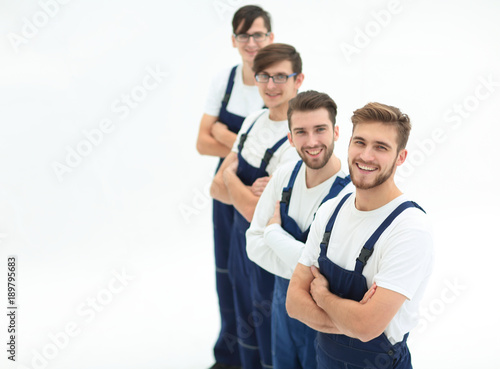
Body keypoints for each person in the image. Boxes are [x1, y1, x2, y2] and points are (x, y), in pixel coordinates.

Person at [286, 102, 434, 369]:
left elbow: (367, 327)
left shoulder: (409, 229)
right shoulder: (331, 210)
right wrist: (352, 320)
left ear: (401, 157)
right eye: (360, 142)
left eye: (381, 147)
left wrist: (322, 296)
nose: (366, 156)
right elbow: (294, 303)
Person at [210, 43, 304, 369]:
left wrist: (232, 178)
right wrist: (246, 190)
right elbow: (215, 188)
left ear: (298, 80)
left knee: (266, 334)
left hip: (267, 254)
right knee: (240, 318)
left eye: (281, 76)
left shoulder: (297, 139)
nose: (272, 85)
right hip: (239, 244)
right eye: (264, 76)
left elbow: (254, 212)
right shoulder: (252, 121)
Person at [246, 90, 354, 369]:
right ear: (291, 138)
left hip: (323, 317)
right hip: (283, 308)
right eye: (301, 132)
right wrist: (304, 263)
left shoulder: (351, 195)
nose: (312, 141)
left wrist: (274, 235)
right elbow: (252, 244)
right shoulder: (285, 176)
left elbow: (329, 269)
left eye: (320, 129)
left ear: (336, 132)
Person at [195, 6, 274, 369]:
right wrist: (244, 145)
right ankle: (228, 357)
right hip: (223, 189)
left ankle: (258, 357)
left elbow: (281, 143)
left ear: (270, 38)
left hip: (261, 193)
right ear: (233, 40)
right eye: (244, 35)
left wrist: (225, 134)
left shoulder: (275, 83)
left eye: (258, 34)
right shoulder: (224, 81)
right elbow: (201, 142)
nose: (251, 42)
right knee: (225, 271)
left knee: (256, 278)